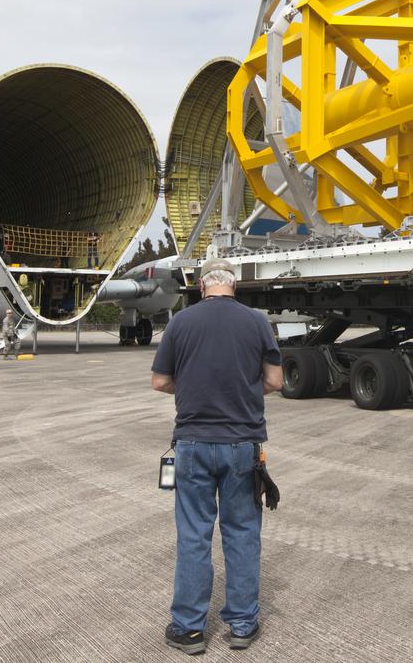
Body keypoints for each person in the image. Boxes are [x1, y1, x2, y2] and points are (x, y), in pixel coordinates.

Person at [151, 257, 283, 655]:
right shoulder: (258, 322)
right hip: (242, 446)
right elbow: (275, 380)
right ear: (234, 285)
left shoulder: (180, 322)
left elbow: (159, 381)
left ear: (201, 284)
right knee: (242, 533)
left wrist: (196, 389)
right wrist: (239, 393)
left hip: (191, 444)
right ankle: (242, 623)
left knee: (194, 535)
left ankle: (189, 628)